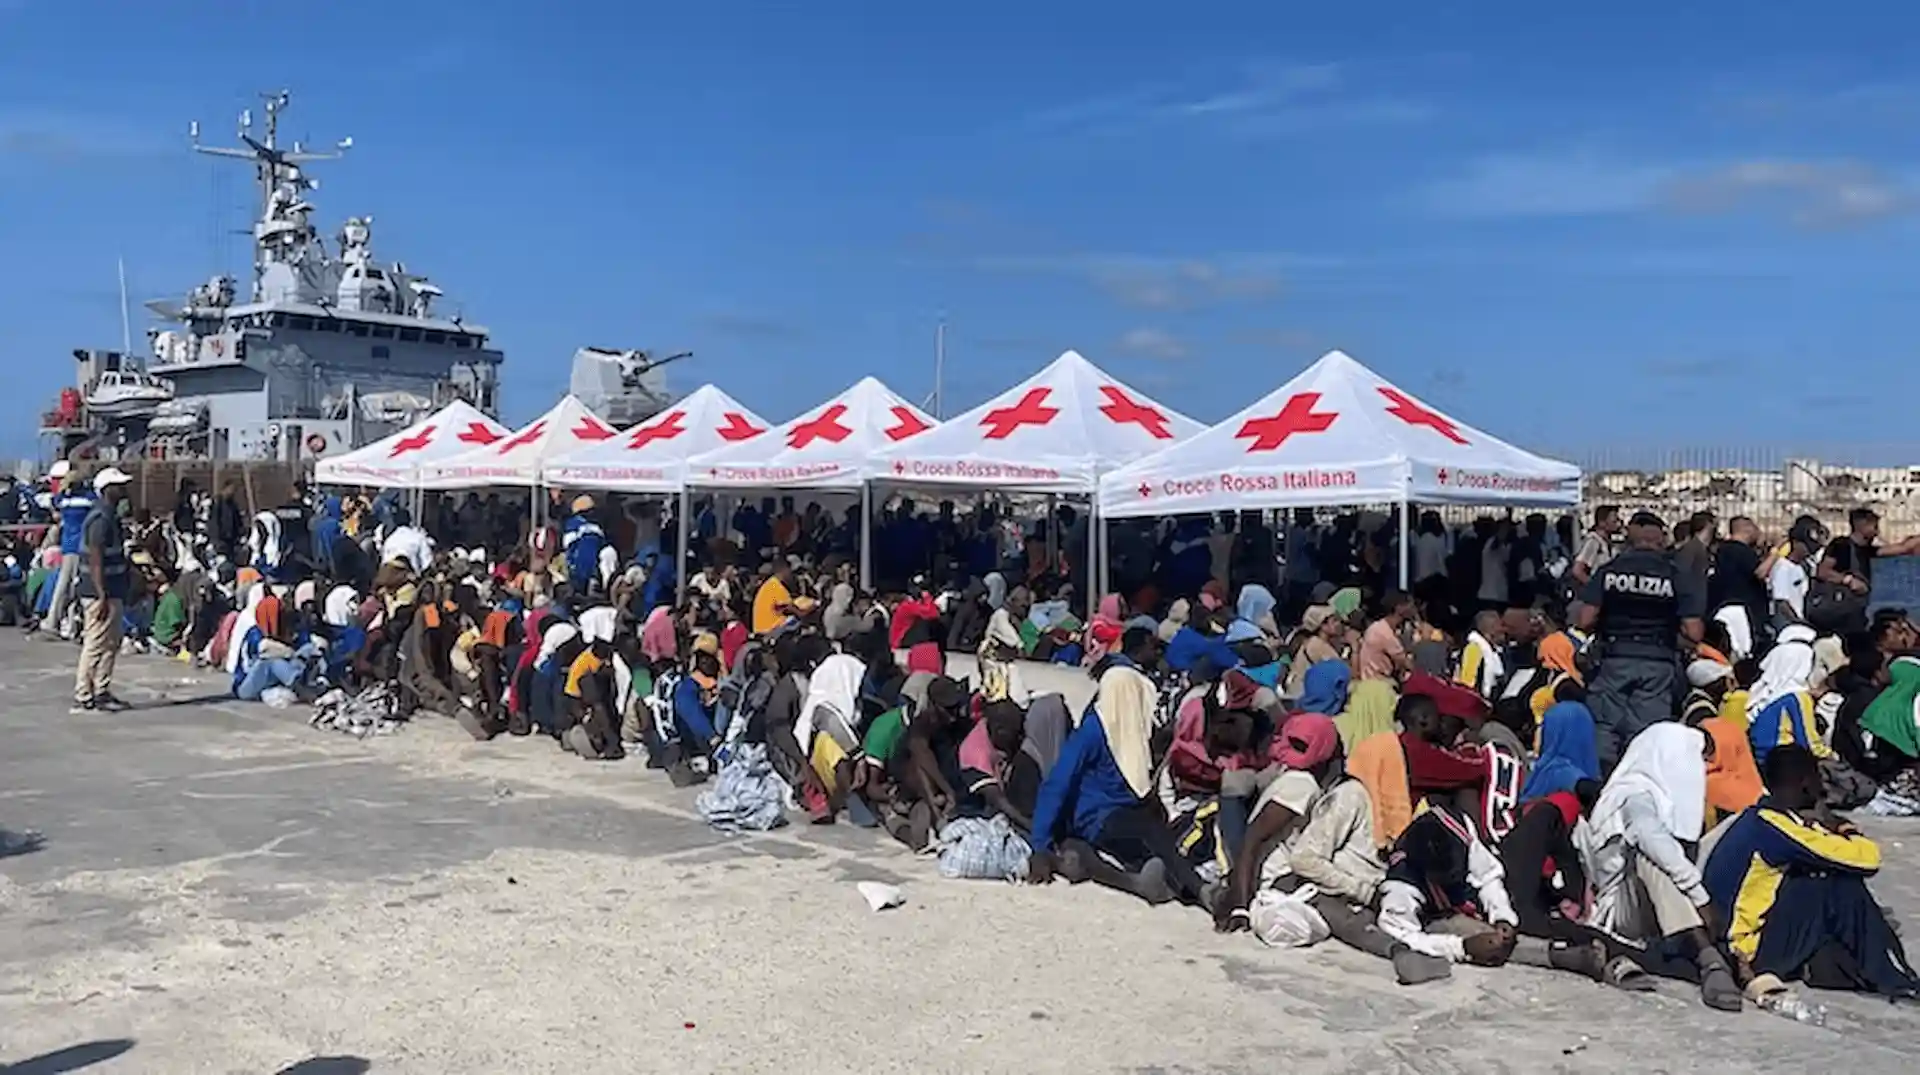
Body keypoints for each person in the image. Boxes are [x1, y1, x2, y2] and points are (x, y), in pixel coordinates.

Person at [1704, 745, 1917, 1000]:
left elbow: (1816, 840)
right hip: (1748, 953)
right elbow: (1866, 860)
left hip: (1731, 938)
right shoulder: (1778, 831)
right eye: (1817, 777)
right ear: (1805, 783)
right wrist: (1845, 828)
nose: (1823, 787)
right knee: (1839, 885)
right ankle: (1893, 976)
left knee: (1817, 879)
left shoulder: (1759, 817)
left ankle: (1832, 963)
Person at [1577, 722, 1744, 1011]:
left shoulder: (1663, 798)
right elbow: (1647, 835)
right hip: (1623, 913)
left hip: (1665, 903)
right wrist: (1699, 895)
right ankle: (1708, 957)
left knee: (1738, 825)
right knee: (1652, 857)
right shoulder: (1633, 796)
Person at [1028, 661, 1211, 908]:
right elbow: (1057, 784)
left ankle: (1166, 880)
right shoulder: (1092, 732)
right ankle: (1201, 891)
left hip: (1126, 815)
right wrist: (1040, 845)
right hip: (1098, 818)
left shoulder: (1132, 731)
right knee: (1151, 831)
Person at [1579, 510, 1704, 768]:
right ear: (1661, 541)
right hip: (1657, 661)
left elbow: (1585, 620)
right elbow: (1694, 633)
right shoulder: (1675, 575)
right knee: (1647, 733)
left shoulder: (1610, 570)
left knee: (1604, 727)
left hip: (1614, 658)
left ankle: (1600, 788)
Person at [72, 468, 134, 714]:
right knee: (96, 642)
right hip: (100, 591)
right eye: (119, 486)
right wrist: (101, 594)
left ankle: (101, 690)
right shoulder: (100, 518)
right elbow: (96, 556)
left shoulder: (110, 515)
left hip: (113, 588)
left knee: (111, 642)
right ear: (108, 490)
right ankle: (83, 694)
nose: (124, 490)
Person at [1708, 516, 1771, 661]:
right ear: (1748, 529)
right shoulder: (1742, 551)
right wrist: (1776, 554)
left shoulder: (1722, 550)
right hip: (1745, 613)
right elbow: (1760, 573)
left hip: (1722, 608)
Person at [1356, 591, 1413, 683]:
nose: (1412, 608)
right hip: (1377, 681)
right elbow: (1406, 664)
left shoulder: (1378, 627)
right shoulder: (1384, 633)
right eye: (1409, 604)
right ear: (1399, 608)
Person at [1454, 609, 1507, 701]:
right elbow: (1467, 683)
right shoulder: (1473, 649)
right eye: (1501, 625)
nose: (1504, 630)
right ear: (1491, 629)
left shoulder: (1493, 650)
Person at [1570, 505, 1622, 588]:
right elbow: (1577, 570)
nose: (1618, 524)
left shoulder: (1609, 544)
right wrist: (1593, 586)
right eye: (1614, 521)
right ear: (1602, 523)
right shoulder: (1593, 541)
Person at [752, 557, 796, 636]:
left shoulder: (769, 584)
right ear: (784, 570)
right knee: (795, 622)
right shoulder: (776, 586)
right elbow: (791, 608)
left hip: (760, 630)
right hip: (769, 631)